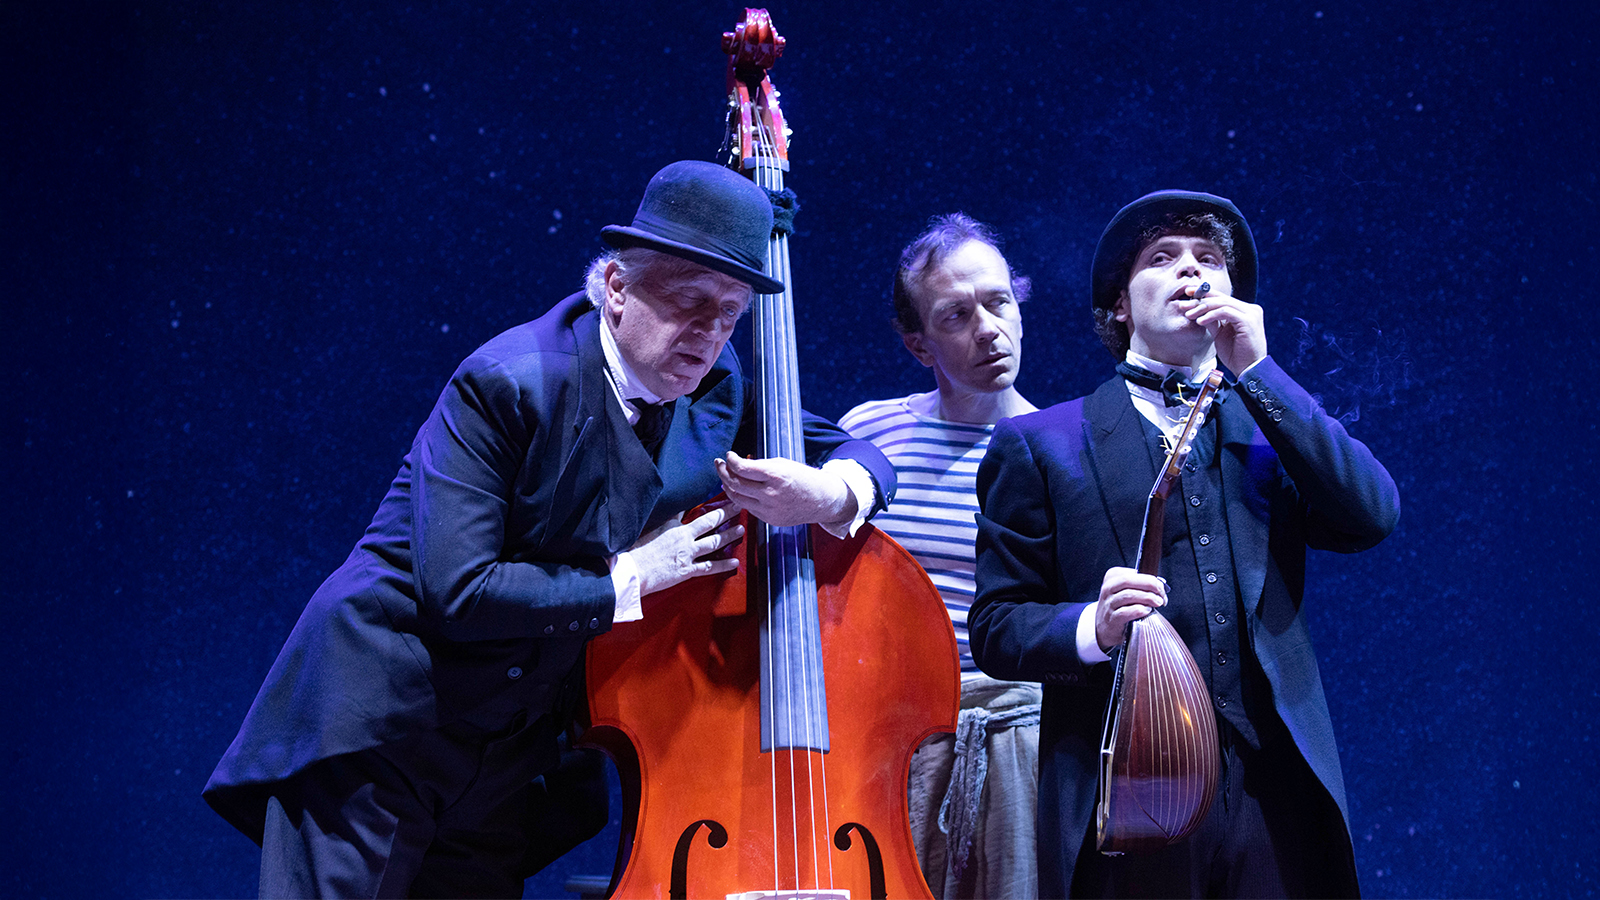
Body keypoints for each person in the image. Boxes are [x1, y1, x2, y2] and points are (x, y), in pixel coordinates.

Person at [202, 160, 896, 899]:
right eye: (690, 301)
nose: (709, 333)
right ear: (617, 288)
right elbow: (460, 591)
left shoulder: (715, 385)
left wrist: (830, 494)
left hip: (505, 763)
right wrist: (636, 575)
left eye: (729, 313)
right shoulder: (509, 381)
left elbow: (861, 455)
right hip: (386, 727)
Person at [970, 190, 1400, 898]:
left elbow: (1371, 516)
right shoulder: (1041, 443)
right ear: (1119, 304)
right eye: (1162, 257)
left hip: (1275, 792)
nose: (1191, 271)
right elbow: (996, 624)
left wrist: (1260, 373)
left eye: (1208, 259)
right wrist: (1093, 627)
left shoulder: (1272, 430)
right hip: (1130, 791)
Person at [838, 214, 1041, 900]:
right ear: (918, 344)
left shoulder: (1063, 446)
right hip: (885, 735)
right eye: (957, 314)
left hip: (1011, 735)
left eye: (999, 302)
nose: (988, 328)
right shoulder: (870, 434)